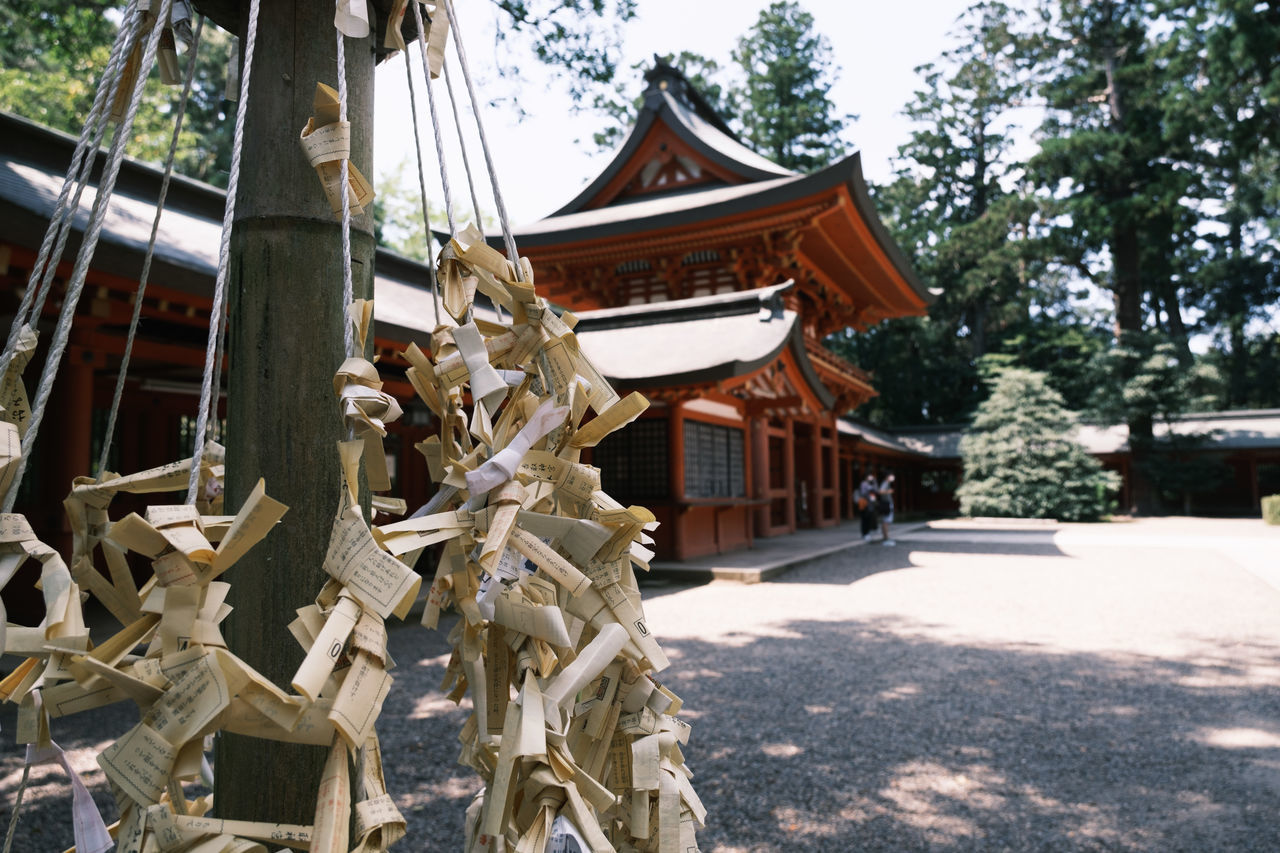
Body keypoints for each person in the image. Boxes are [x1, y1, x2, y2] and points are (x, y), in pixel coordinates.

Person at [857, 474, 879, 542]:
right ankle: (865, 533)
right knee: (865, 520)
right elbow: (863, 493)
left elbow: (876, 490)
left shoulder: (871, 484)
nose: (871, 478)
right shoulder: (863, 483)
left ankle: (867, 533)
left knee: (869, 519)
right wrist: (870, 490)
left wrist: (874, 482)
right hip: (865, 504)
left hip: (870, 505)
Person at [878, 472, 896, 545]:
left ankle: (885, 537)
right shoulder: (885, 483)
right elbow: (880, 491)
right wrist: (889, 491)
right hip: (886, 504)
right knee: (886, 521)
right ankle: (886, 537)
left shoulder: (886, 483)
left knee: (885, 521)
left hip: (886, 504)